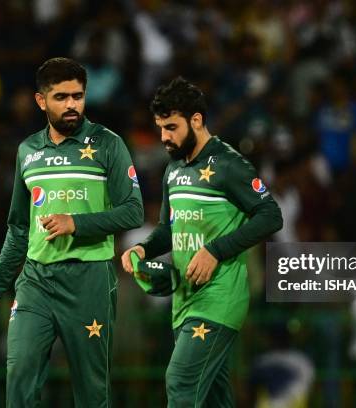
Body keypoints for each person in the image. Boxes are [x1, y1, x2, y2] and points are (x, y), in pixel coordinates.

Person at [0, 57, 143, 407]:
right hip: (36, 281)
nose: (71, 105)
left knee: (91, 393)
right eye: (61, 97)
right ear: (41, 101)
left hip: (89, 279)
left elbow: (134, 211)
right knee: (19, 376)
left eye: (78, 96)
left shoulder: (108, 145)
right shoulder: (28, 152)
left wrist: (76, 223)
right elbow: (19, 227)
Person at [121, 77, 283, 407]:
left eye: (171, 127)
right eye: (160, 128)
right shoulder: (174, 169)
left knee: (180, 382)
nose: (164, 137)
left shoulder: (228, 163)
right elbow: (168, 230)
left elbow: (270, 215)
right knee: (213, 399)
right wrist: (143, 248)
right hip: (184, 300)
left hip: (219, 299)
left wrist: (215, 250)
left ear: (196, 120)